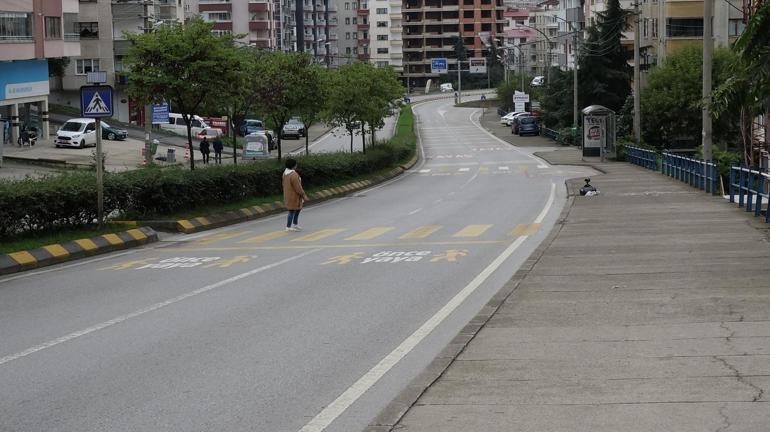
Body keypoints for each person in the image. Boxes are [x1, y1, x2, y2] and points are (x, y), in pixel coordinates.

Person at [282, 158, 309, 232]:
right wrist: (303, 195)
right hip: (294, 195)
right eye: (296, 164)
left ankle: (295, 224)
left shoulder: (285, 174)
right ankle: (288, 226)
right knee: (292, 211)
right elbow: (298, 187)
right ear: (293, 165)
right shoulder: (293, 175)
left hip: (287, 194)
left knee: (298, 209)